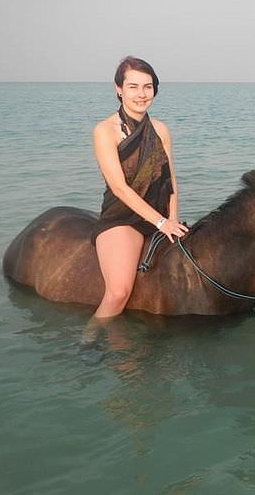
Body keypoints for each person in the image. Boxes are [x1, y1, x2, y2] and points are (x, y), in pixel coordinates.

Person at [90, 56, 188, 318]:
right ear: (119, 89)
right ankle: (89, 341)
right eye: (133, 86)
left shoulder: (161, 130)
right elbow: (119, 188)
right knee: (118, 293)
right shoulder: (105, 131)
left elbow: (170, 180)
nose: (141, 94)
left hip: (161, 216)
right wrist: (160, 223)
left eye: (148, 86)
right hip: (123, 218)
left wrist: (173, 218)